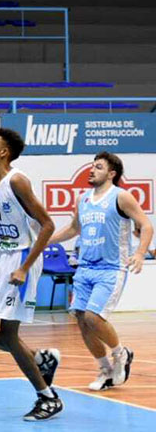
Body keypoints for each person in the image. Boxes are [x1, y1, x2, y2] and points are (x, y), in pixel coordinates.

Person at [0, 128, 62, 421]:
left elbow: (47, 225)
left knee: (9, 334)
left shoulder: (17, 181)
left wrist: (22, 267)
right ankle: (39, 358)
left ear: (4, 152)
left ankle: (47, 397)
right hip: (2, 260)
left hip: (23, 257)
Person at [50, 152, 151, 391]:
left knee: (94, 317)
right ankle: (105, 369)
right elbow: (74, 228)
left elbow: (146, 225)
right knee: (83, 322)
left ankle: (121, 353)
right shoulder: (83, 199)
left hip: (111, 268)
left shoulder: (121, 197)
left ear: (112, 173)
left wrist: (139, 254)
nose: (92, 170)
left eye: (98, 167)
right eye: (92, 166)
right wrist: (46, 241)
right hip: (85, 268)